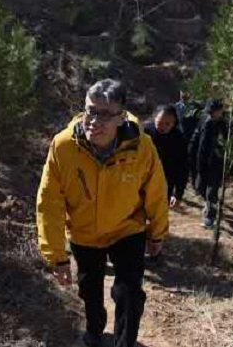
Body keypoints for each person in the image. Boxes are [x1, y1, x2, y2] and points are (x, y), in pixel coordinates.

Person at [36, 79, 169, 347]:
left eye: (105, 114)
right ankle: (95, 329)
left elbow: (156, 192)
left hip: (127, 229)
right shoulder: (63, 146)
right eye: (90, 111)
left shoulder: (141, 146)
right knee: (90, 292)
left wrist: (157, 234)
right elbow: (49, 203)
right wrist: (57, 257)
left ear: (121, 118)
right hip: (84, 233)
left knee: (129, 294)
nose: (94, 121)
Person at [189, 98, 229, 229]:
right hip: (202, 159)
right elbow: (196, 138)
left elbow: (230, 143)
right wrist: (191, 152)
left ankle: (210, 217)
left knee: (212, 190)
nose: (212, 114)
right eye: (210, 111)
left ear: (220, 111)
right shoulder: (204, 120)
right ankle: (208, 203)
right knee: (199, 187)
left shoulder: (225, 125)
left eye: (215, 111)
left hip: (216, 162)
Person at [144, 104, 188, 209]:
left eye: (167, 124)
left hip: (165, 184)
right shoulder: (144, 134)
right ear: (154, 118)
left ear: (174, 123)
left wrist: (177, 194)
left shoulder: (179, 139)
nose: (163, 126)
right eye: (159, 122)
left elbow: (183, 167)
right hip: (143, 183)